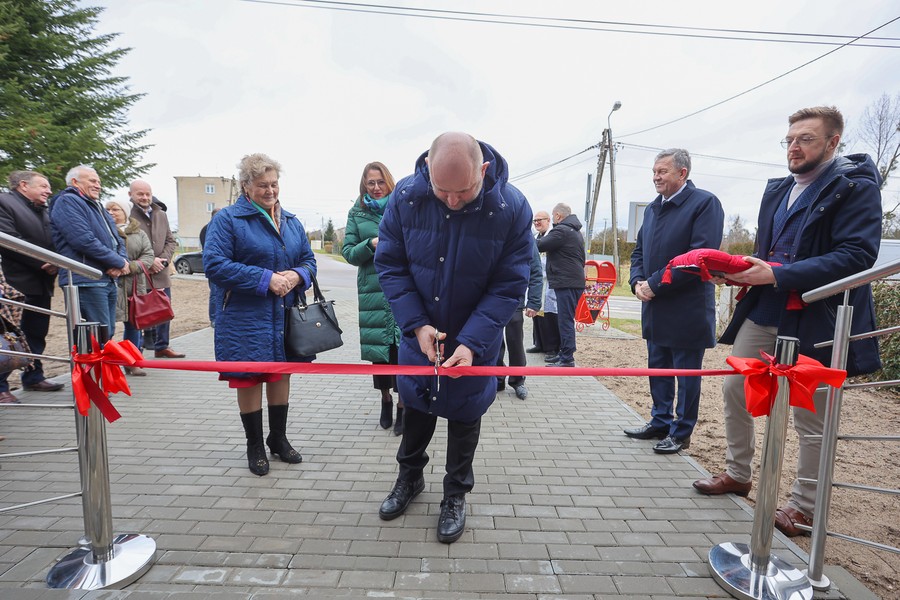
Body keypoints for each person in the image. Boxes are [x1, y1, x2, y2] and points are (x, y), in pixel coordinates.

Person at [692, 106, 883, 538]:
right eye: (790, 139)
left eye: (806, 139)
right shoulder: (779, 189)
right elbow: (773, 249)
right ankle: (738, 474)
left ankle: (804, 508)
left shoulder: (856, 187)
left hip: (818, 315)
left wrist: (776, 274)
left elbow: (857, 257)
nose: (794, 147)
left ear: (833, 142)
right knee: (734, 388)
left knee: (809, 416)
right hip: (766, 308)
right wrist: (740, 269)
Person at [374, 132, 533, 544]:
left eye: (463, 191)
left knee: (465, 417)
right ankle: (409, 480)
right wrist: (416, 324)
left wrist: (473, 342)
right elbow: (390, 265)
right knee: (416, 409)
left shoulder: (511, 208)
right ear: (427, 166)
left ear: (483, 171)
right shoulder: (407, 196)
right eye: (441, 190)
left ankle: (455, 495)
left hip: (473, 340)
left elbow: (510, 284)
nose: (451, 201)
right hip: (420, 332)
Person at [204, 153, 317, 476]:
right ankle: (254, 444)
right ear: (245, 186)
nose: (270, 191)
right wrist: (265, 279)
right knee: (249, 376)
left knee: (281, 372)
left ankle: (278, 438)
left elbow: (309, 261)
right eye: (262, 185)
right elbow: (214, 264)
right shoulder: (227, 220)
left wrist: (297, 276)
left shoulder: (292, 221)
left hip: (284, 313)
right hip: (244, 316)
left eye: (274, 184)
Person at [625, 149, 724, 454]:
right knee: (659, 369)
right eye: (654, 171)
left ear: (682, 173)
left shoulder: (704, 204)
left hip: (687, 308)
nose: (656, 176)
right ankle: (660, 420)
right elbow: (639, 252)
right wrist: (636, 283)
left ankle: (682, 432)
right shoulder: (654, 209)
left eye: (663, 171)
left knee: (687, 375)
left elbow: (700, 257)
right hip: (655, 307)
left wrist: (655, 285)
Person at [341, 162, 404, 434]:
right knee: (380, 352)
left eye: (380, 182)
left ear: (389, 182)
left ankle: (404, 406)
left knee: (403, 350)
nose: (376, 188)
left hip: (402, 287)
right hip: (373, 290)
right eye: (371, 183)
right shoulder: (357, 213)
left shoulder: (402, 207)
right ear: (364, 185)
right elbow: (348, 252)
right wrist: (370, 244)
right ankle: (386, 400)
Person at [0, 171, 64, 396]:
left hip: (42, 282)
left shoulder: (43, 210)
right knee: (8, 336)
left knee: (36, 333)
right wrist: (43, 262)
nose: (48, 190)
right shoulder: (4, 202)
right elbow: (8, 239)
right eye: (43, 186)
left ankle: (34, 376)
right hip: (13, 284)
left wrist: (56, 261)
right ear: (23, 185)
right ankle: (1, 387)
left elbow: (55, 238)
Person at [49, 165, 129, 337]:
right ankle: (93, 366)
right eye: (92, 181)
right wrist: (118, 262)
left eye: (99, 182)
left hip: (107, 278)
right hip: (86, 279)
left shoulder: (97, 206)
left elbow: (118, 239)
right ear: (75, 182)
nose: (98, 185)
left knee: (107, 332)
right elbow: (82, 240)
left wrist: (122, 261)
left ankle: (103, 365)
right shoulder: (67, 201)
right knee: (95, 336)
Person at [128, 180, 185, 359]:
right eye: (140, 194)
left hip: (161, 271)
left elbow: (170, 240)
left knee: (163, 309)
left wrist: (164, 261)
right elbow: (127, 246)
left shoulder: (161, 214)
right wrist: (149, 261)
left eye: (147, 194)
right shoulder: (128, 216)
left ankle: (162, 346)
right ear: (131, 195)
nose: (145, 197)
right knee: (140, 312)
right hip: (139, 274)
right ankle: (137, 352)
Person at [105, 200, 154, 376]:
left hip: (134, 286)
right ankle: (107, 365)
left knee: (134, 326)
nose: (111, 212)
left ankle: (132, 361)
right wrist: (114, 267)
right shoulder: (104, 231)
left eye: (115, 209)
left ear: (125, 212)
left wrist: (130, 267)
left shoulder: (139, 233)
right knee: (107, 327)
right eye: (108, 209)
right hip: (111, 285)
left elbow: (148, 256)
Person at [536, 203, 585, 367]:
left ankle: (567, 358)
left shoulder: (561, 231)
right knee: (565, 319)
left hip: (567, 282)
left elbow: (539, 245)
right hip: (572, 281)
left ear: (557, 216)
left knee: (565, 320)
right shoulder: (574, 231)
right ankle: (564, 353)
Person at [497, 242, 542, 400]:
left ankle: (518, 380)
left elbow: (535, 271)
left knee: (515, 341)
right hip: (492, 298)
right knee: (493, 341)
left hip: (515, 300)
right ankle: (497, 378)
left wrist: (534, 301)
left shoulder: (526, 237)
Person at [527, 210, 560, 360]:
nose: (537, 223)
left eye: (540, 220)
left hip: (550, 283)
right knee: (537, 314)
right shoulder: (535, 237)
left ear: (548, 220)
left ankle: (551, 347)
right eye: (535, 221)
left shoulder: (552, 237)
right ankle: (539, 343)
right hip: (538, 281)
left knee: (550, 316)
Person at [200, 208, 222, 327]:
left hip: (220, 265)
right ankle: (213, 318)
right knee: (214, 293)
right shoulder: (207, 229)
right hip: (214, 266)